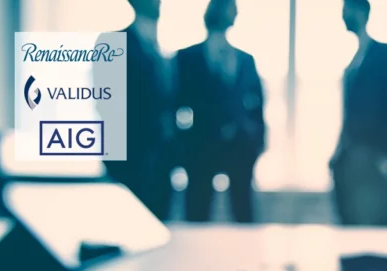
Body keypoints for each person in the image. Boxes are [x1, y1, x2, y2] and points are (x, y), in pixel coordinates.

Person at [175, 0, 266, 223]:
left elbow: (258, 104)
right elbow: (177, 104)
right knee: (197, 211)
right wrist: (183, 145)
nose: (236, 13)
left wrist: (257, 139)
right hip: (201, 148)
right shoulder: (188, 57)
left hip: (240, 147)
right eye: (231, 7)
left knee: (243, 212)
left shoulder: (245, 59)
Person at [94, 0, 177, 220]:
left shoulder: (161, 50)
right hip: (130, 160)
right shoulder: (112, 42)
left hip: (161, 159)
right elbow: (106, 103)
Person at [330, 0, 387, 226]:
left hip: (373, 159)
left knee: (374, 229)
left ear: (361, 12)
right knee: (350, 227)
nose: (343, 15)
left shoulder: (385, 54)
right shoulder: (353, 61)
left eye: (346, 10)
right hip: (348, 159)